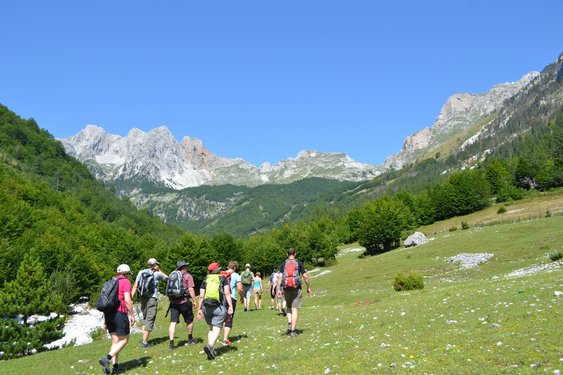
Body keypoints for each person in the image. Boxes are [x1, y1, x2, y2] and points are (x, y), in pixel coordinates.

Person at [99, 264, 135, 375]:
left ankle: (115, 368)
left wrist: (104, 320)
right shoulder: (125, 282)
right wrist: (132, 315)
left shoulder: (110, 282)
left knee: (116, 341)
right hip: (120, 313)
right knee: (124, 340)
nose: (129, 276)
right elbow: (128, 300)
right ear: (126, 273)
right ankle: (107, 358)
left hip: (109, 314)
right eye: (129, 274)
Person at [197, 262, 233, 360]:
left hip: (206, 307)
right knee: (217, 328)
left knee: (211, 328)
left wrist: (199, 309)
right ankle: (210, 346)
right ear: (218, 270)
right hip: (219, 307)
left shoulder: (206, 279)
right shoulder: (223, 279)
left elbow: (201, 296)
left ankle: (211, 350)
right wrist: (230, 306)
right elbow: (227, 293)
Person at [131, 258, 168, 348]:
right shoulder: (157, 273)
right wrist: (159, 270)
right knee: (150, 318)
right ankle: (144, 342)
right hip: (152, 298)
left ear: (148, 265)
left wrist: (131, 297)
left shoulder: (141, 272)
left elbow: (135, 286)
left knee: (145, 317)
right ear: (155, 265)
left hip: (142, 298)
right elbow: (168, 278)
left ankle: (144, 336)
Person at [277, 248, 311, 337]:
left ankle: (289, 323)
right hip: (297, 288)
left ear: (287, 254)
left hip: (286, 288)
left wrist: (278, 289)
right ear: (295, 254)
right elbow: (305, 276)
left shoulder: (283, 264)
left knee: (288, 307)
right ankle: (293, 331)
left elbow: (280, 277)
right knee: (294, 308)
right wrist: (308, 287)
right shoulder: (299, 263)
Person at [168, 260, 198, 349]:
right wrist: (194, 300)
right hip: (184, 302)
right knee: (189, 320)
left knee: (173, 323)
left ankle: (171, 344)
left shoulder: (172, 275)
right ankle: (190, 339)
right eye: (186, 266)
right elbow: (191, 289)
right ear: (184, 267)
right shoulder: (188, 276)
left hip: (173, 303)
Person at [222, 261, 243, 345]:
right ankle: (225, 339)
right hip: (231, 298)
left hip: (221, 298)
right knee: (229, 318)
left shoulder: (222, 274)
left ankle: (215, 336)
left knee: (222, 317)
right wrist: (242, 297)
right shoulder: (236, 275)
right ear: (234, 268)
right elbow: (240, 288)